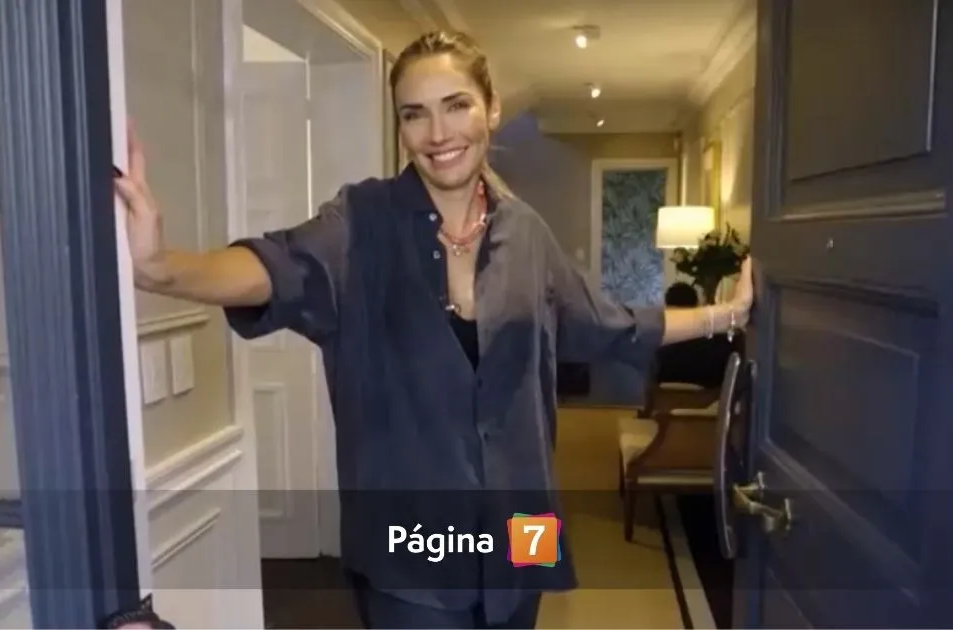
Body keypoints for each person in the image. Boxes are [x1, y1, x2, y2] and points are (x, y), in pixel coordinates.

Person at [113, 29, 753, 630]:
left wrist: (725, 313)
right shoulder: (360, 221)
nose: (438, 133)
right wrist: (163, 267)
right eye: (414, 113)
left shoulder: (525, 233)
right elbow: (275, 268)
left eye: (456, 105)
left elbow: (608, 323)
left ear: (491, 109)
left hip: (522, 530)